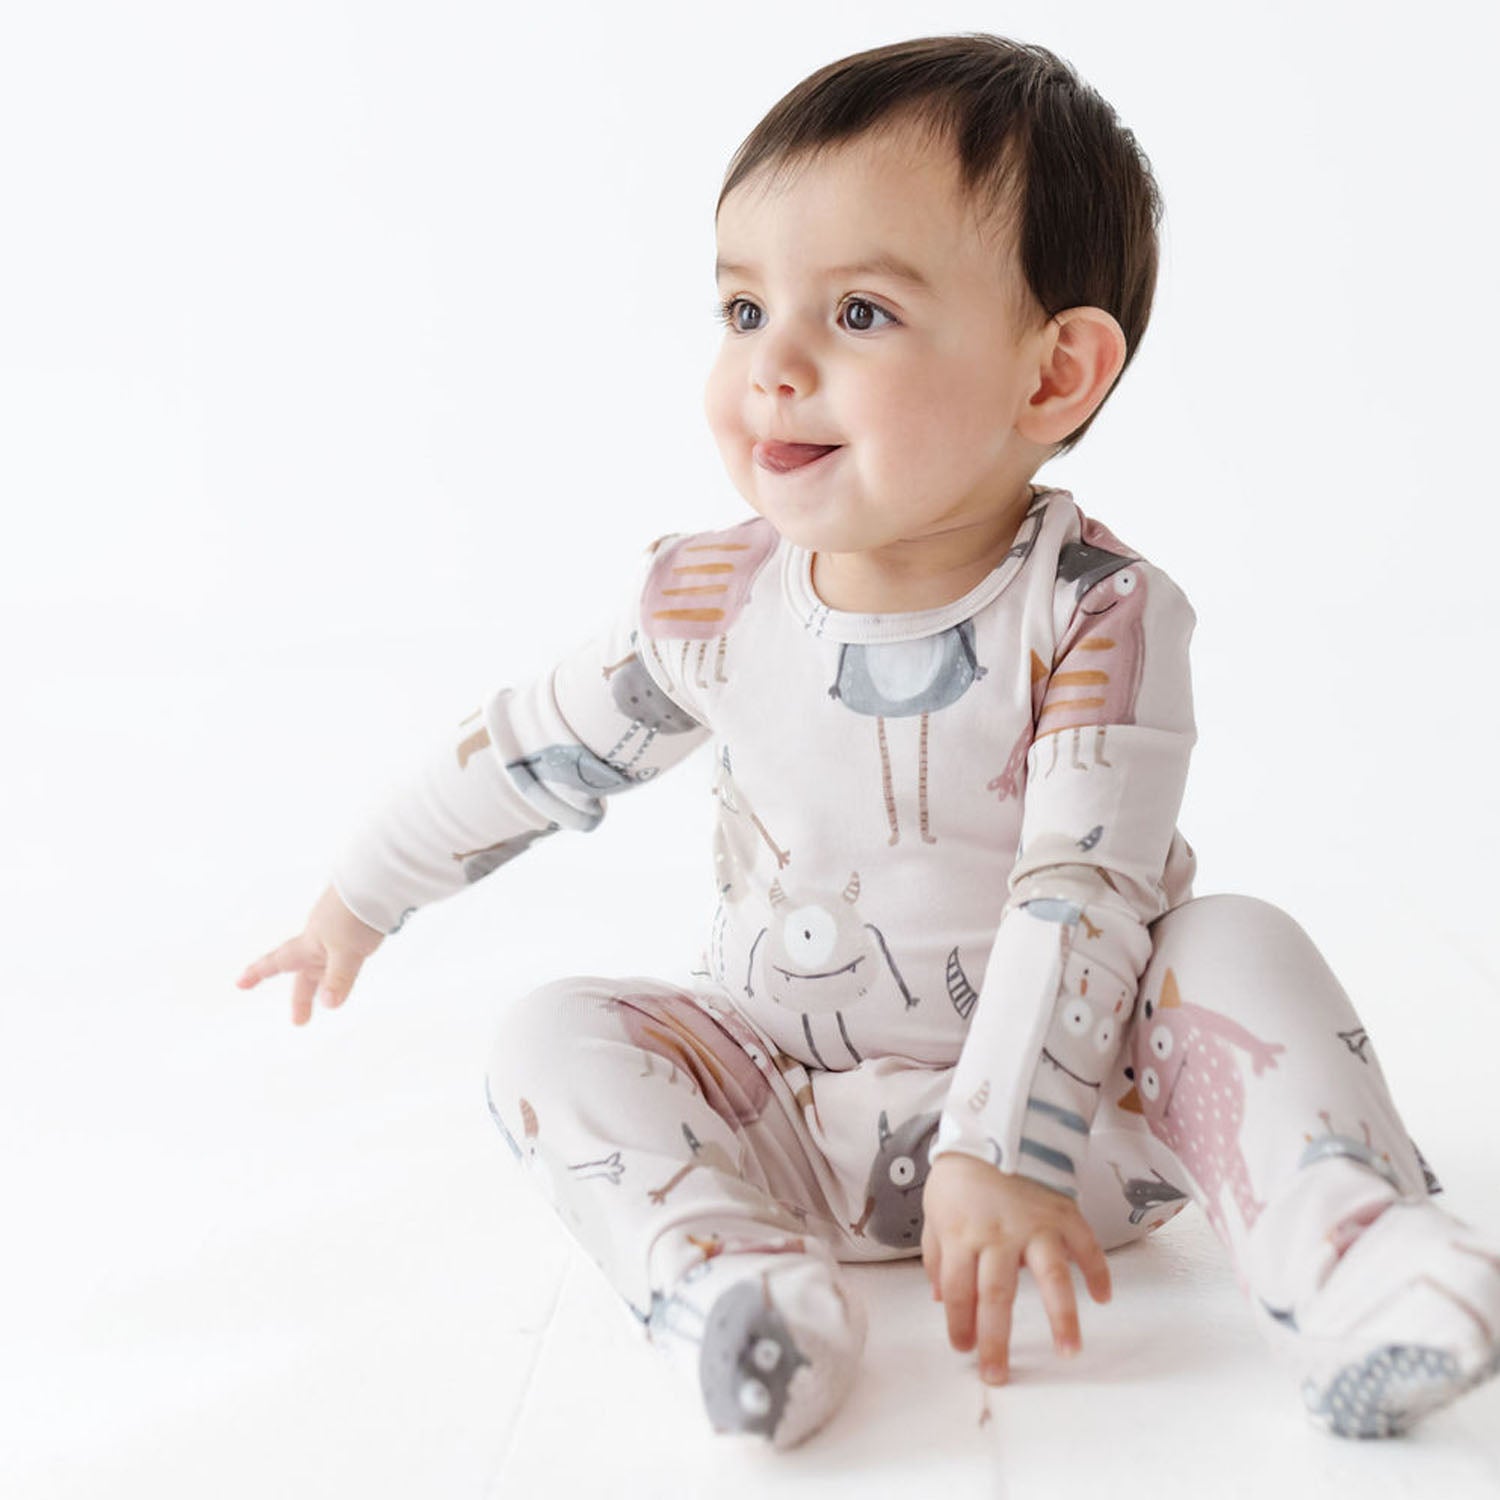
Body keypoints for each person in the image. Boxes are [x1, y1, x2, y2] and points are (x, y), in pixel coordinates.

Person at [238, 34, 1500, 1449]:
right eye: (740, 306)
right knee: (551, 1034)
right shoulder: (711, 602)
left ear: (1052, 376)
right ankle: (730, 1286)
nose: (771, 365)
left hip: (1088, 1124)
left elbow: (1082, 888)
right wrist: (361, 892)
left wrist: (1004, 1146)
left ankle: (1348, 1255)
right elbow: (534, 747)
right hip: (792, 1112)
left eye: (856, 317)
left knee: (1232, 940)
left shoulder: (1094, 613)